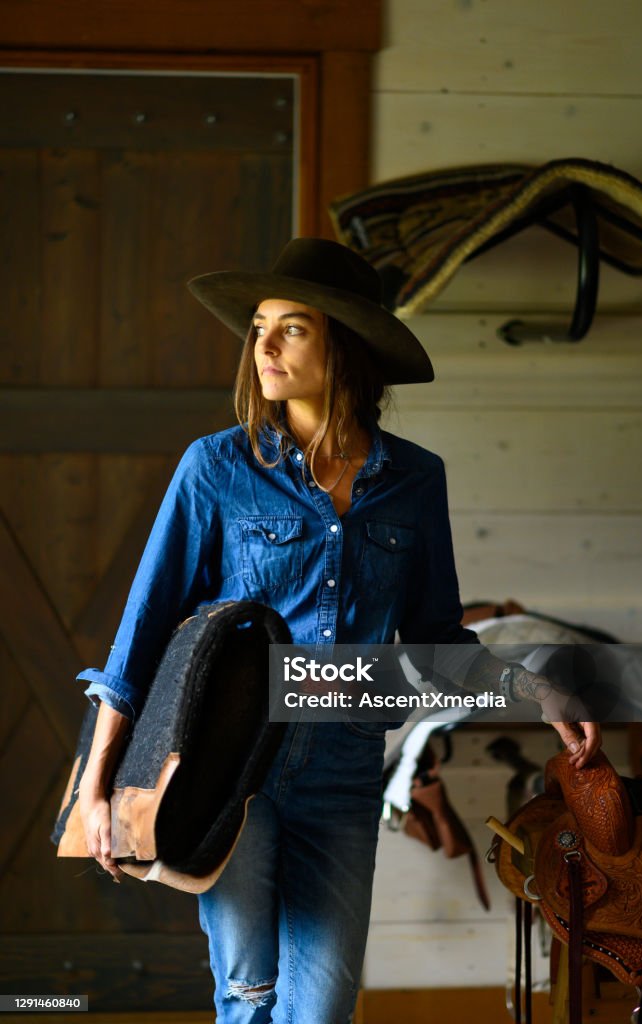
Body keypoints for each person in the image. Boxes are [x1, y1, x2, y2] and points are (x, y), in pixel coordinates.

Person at [77, 238, 601, 1024]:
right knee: (248, 996)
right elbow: (142, 632)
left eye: (291, 327)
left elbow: (434, 636)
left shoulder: (415, 480)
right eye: (258, 326)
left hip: (344, 766)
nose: (263, 346)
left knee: (320, 1008)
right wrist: (97, 788)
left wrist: (534, 687)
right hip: (229, 765)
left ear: (344, 346)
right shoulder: (216, 468)